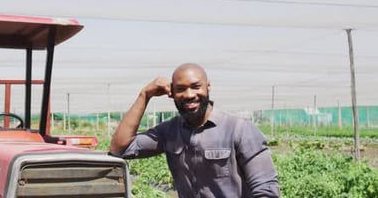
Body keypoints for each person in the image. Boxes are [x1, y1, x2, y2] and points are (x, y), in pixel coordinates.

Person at [110, 63, 280, 197]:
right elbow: (121, 149)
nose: (189, 94)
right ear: (171, 93)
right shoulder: (169, 131)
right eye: (181, 89)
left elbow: (266, 190)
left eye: (196, 86)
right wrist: (145, 94)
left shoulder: (239, 129)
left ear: (208, 87)